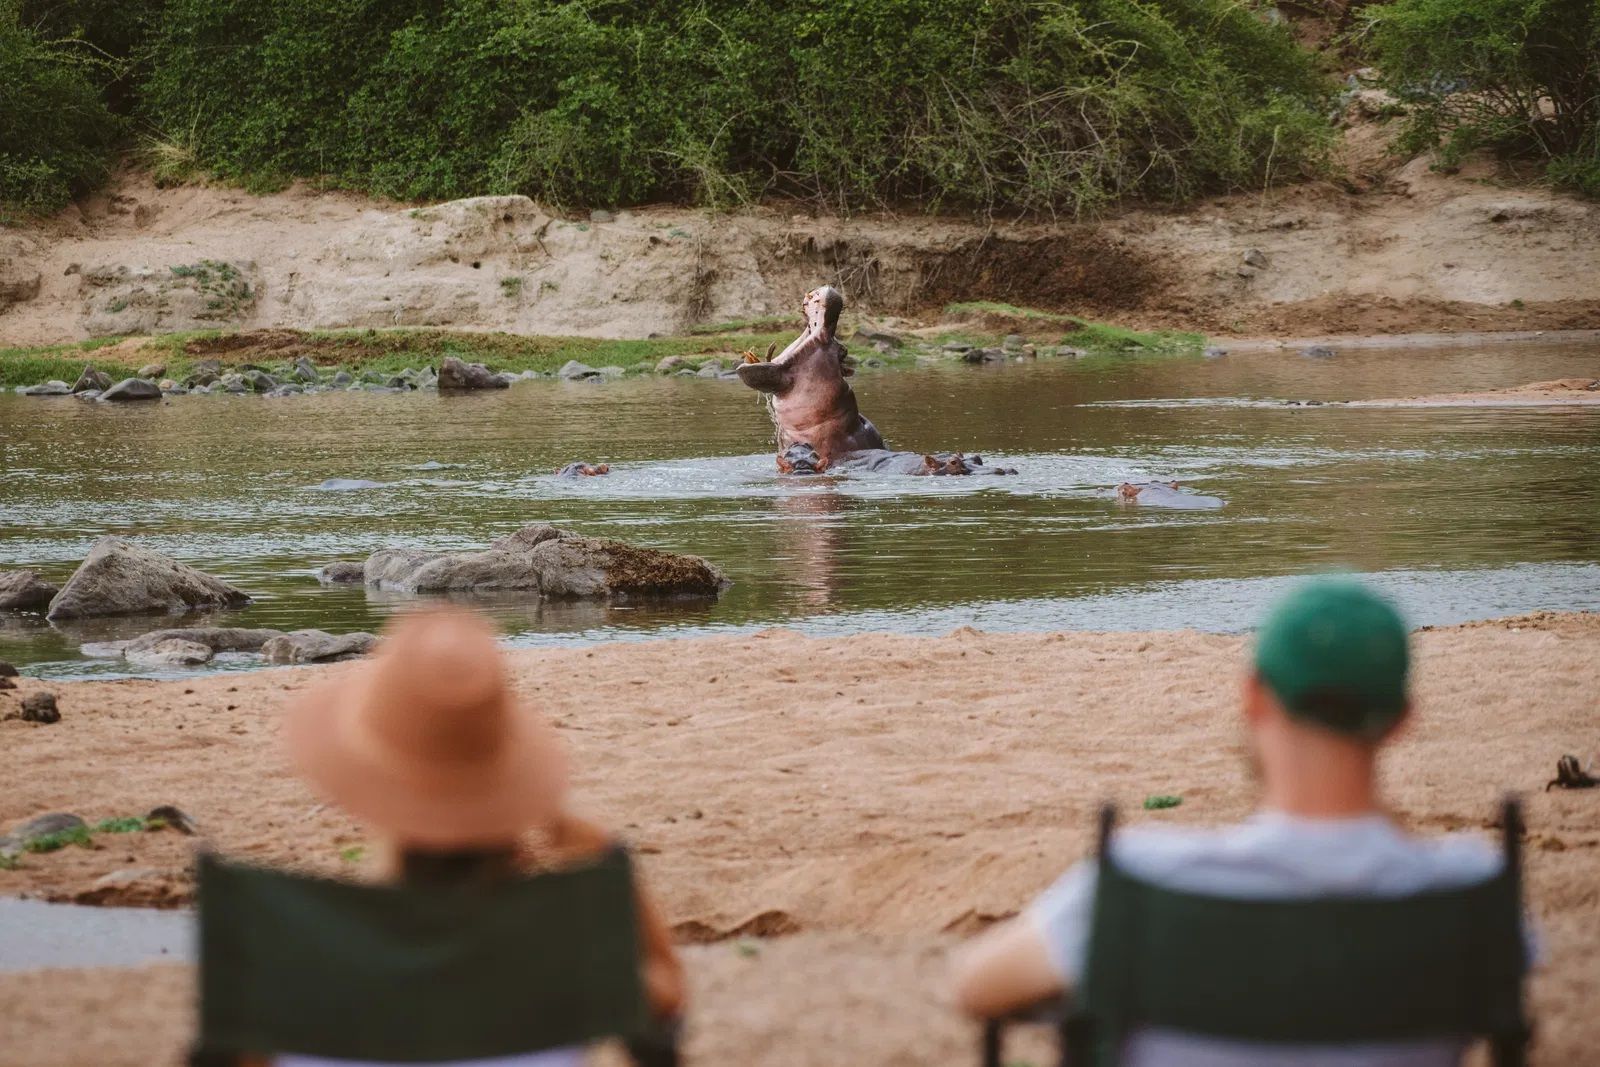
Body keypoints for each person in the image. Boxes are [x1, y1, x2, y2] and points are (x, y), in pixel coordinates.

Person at [951, 577, 1516, 1066]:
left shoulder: (1141, 878)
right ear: (1402, 720)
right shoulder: (1474, 889)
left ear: (1253, 697)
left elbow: (973, 986)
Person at [279, 605, 684, 1067]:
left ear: (368, 797)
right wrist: (608, 860)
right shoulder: (570, 958)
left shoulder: (299, 960)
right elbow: (666, 1006)